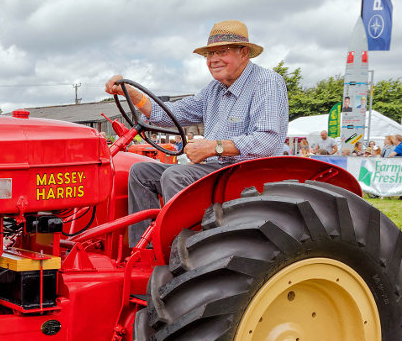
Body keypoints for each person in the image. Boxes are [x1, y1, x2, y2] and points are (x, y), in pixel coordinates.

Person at [104, 19, 288, 244]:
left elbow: (267, 140)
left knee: (175, 175)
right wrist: (132, 93)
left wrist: (214, 147)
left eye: (222, 51)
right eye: (209, 55)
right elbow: (170, 113)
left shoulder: (266, 82)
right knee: (141, 172)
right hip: (220, 170)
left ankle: (180, 254)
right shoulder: (214, 90)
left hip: (250, 172)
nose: (213, 60)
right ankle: (144, 251)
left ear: (244, 53)